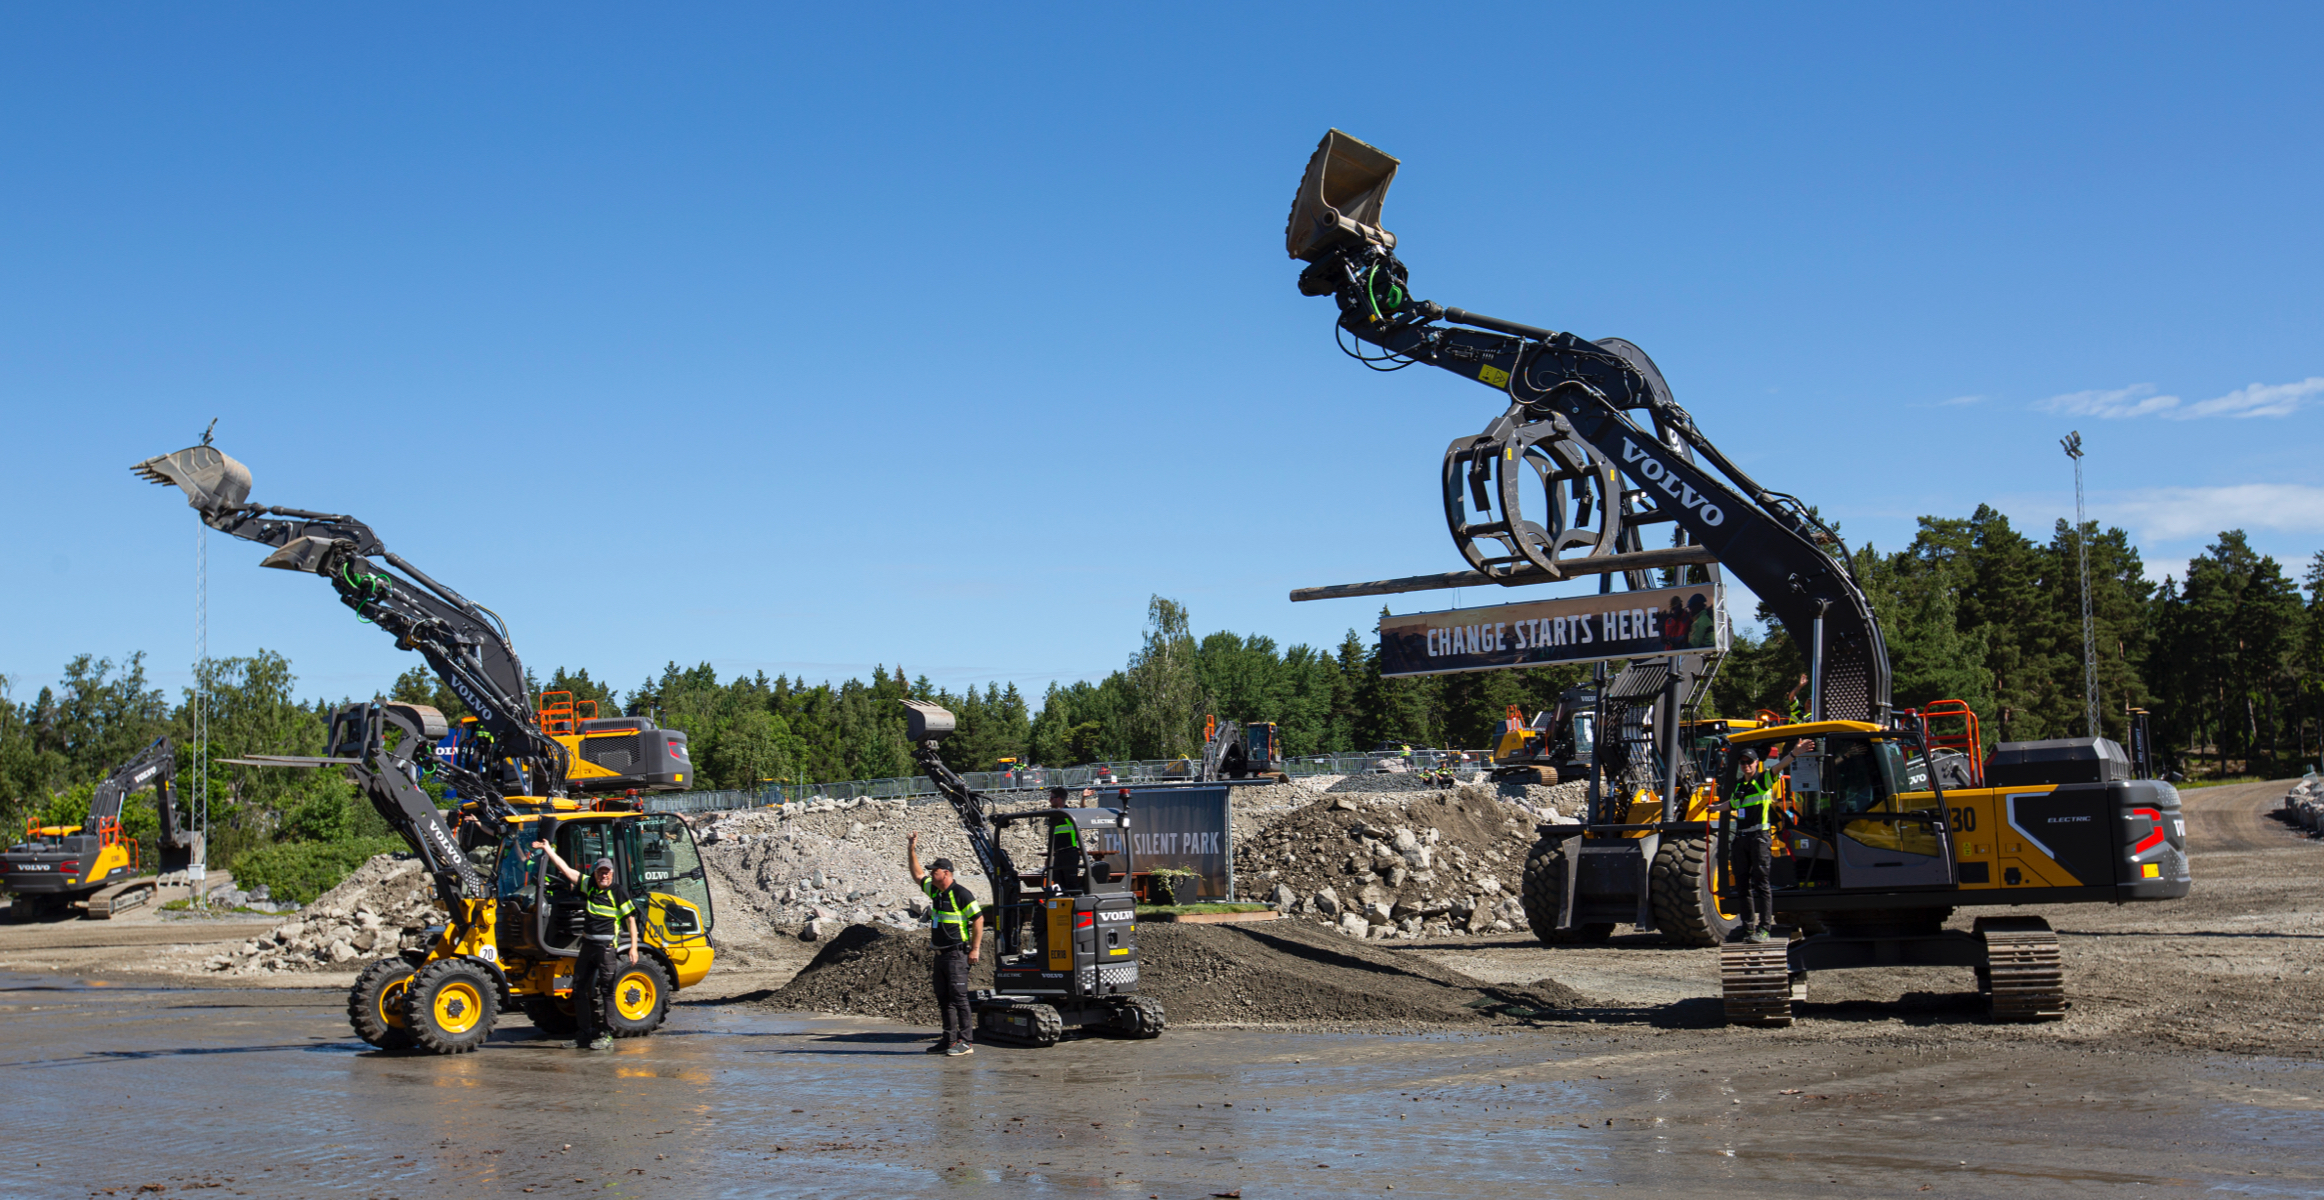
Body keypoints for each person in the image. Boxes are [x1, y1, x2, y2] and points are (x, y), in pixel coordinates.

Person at [532, 840, 639, 1050]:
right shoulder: (589, 885)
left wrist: (633, 948)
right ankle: (584, 1033)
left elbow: (631, 921)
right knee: (579, 988)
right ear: (595, 873)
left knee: (607, 990)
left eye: (607, 872)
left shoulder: (618, 892)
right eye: (600, 872)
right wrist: (548, 850)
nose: (604, 875)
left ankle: (607, 1035)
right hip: (588, 946)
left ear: (612, 873)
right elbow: (565, 870)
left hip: (606, 948)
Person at [907, 832, 984, 1056]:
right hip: (940, 955)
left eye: (935, 871)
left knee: (959, 998)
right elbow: (917, 874)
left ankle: (966, 1042)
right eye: (932, 871)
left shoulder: (960, 893)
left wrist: (975, 949)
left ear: (946, 873)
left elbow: (978, 918)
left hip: (956, 954)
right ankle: (948, 1039)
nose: (931, 874)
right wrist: (911, 848)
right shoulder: (937, 892)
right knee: (944, 999)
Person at [1717, 750, 1782, 943]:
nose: (1745, 765)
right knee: (1742, 885)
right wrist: (1716, 808)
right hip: (1741, 838)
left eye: (1749, 762)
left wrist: (1794, 754)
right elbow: (1734, 804)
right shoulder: (1739, 784)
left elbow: (1779, 766)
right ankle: (1747, 928)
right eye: (1742, 762)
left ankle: (1764, 928)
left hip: (1758, 838)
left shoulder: (1763, 780)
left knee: (1761, 883)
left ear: (1756, 763)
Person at [1045, 787, 1085, 891]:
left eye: (1051, 798)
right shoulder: (1053, 815)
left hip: (1070, 853)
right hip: (1058, 854)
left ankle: (1075, 904)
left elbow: (1082, 812)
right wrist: (1049, 856)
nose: (1049, 800)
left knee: (1071, 884)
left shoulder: (1069, 813)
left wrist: (1083, 798)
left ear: (1058, 799)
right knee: (1058, 885)